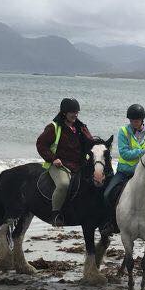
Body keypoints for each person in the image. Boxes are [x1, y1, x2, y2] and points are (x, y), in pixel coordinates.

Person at [36, 97, 94, 226]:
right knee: (63, 184)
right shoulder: (53, 127)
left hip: (78, 164)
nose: (75, 115)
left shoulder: (80, 127)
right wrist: (53, 158)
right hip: (59, 164)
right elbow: (41, 145)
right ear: (64, 112)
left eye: (77, 112)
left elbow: (90, 143)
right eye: (72, 112)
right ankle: (55, 214)